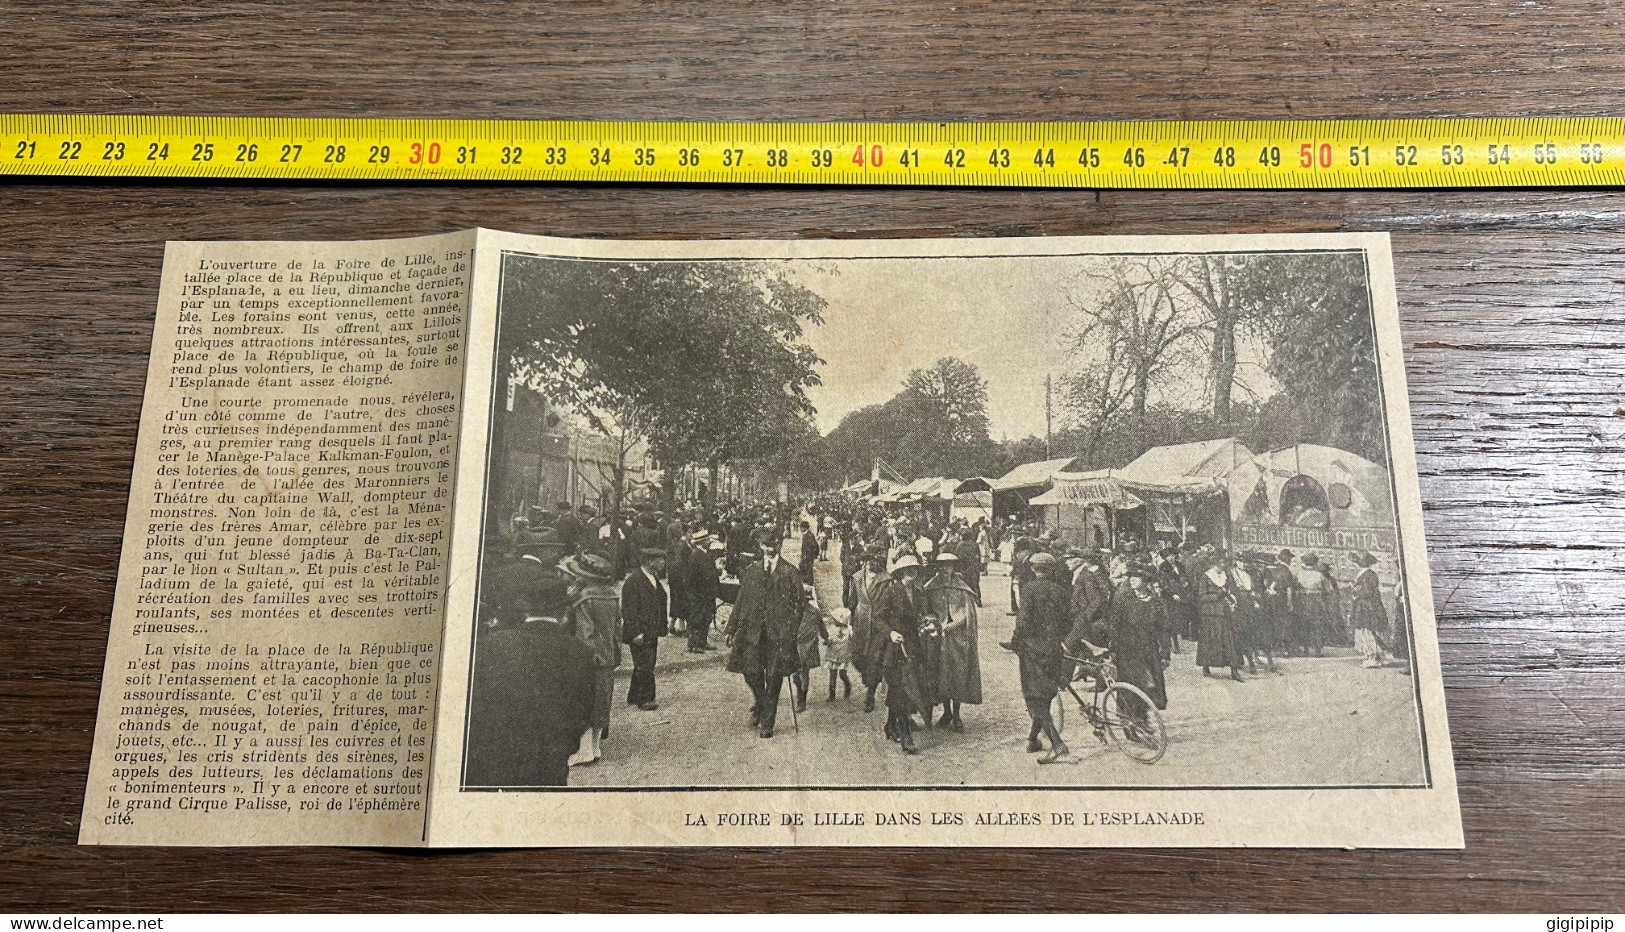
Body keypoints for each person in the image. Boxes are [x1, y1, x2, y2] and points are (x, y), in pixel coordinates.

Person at [464, 585, 596, 787]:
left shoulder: (494, 644)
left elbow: (480, 702)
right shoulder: (580, 652)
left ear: (526, 611)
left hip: (501, 752)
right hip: (551, 754)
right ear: (565, 614)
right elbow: (583, 711)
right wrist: (563, 747)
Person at [726, 536, 804, 738]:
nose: (768, 549)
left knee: (774, 677)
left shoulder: (790, 572)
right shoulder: (752, 571)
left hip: (778, 636)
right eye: (765, 545)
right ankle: (761, 703)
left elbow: (799, 606)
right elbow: (741, 599)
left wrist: (790, 630)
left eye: (772, 545)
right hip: (753, 633)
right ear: (760, 546)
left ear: (778, 546)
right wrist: (731, 629)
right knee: (750, 673)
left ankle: (768, 722)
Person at [1008, 551, 1077, 763]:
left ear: (1033, 569)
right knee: (1045, 693)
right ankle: (1032, 739)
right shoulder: (1060, 591)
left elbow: (1023, 621)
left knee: (1034, 696)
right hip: (1053, 649)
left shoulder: (1029, 590)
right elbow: (1068, 622)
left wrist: (1015, 641)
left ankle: (1057, 743)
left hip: (1032, 650)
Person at [562, 552, 621, 767]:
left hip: (590, 659)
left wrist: (582, 659)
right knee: (601, 702)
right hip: (608, 657)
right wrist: (615, 655)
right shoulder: (612, 596)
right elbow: (617, 631)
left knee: (584, 702)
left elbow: (585, 634)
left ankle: (585, 750)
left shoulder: (584, 599)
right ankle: (596, 748)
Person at [873, 554, 928, 754]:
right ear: (901, 572)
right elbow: (877, 618)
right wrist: (891, 632)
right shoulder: (891, 591)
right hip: (892, 649)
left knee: (901, 691)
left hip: (912, 647)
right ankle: (906, 736)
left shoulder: (918, 592)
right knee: (900, 691)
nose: (912, 573)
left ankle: (889, 725)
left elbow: (920, 616)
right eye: (909, 570)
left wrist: (924, 622)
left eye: (915, 570)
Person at [924, 551, 982, 733]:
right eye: (942, 566)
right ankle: (947, 711)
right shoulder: (930, 588)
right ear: (937, 568)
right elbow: (926, 611)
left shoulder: (962, 588)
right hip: (937, 639)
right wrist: (935, 623)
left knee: (958, 674)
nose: (946, 569)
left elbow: (968, 614)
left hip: (958, 639)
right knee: (941, 675)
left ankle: (957, 715)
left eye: (949, 565)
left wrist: (953, 624)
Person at [1105, 562, 1169, 710]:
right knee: (1130, 687)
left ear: (1146, 580)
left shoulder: (1156, 602)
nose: (1132, 579)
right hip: (1127, 650)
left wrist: (1165, 653)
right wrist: (1113, 648)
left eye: (1137, 577)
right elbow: (1114, 625)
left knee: (1150, 687)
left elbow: (1164, 629)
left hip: (1149, 649)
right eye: (1131, 576)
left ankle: (1142, 717)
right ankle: (1129, 719)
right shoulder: (1123, 599)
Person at [620, 547, 670, 711]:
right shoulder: (633, 581)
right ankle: (646, 698)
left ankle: (634, 695)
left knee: (644, 662)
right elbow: (629, 609)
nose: (663, 562)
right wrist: (635, 632)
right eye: (660, 559)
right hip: (640, 631)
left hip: (651, 630)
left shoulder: (652, 577)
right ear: (649, 561)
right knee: (645, 663)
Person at [1193, 546, 1245, 682]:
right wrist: (1218, 595)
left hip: (1224, 613)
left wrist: (1232, 596)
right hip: (1210, 614)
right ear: (1215, 563)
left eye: (1224, 563)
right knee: (1209, 640)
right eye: (1221, 563)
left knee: (1228, 641)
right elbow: (1202, 597)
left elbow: (1232, 590)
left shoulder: (1226, 576)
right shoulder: (1206, 577)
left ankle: (1234, 670)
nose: (1223, 566)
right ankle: (1206, 665)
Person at [852, 549, 891, 713]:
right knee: (858, 657)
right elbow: (851, 600)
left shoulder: (886, 580)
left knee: (875, 660)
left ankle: (870, 695)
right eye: (868, 560)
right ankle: (869, 679)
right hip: (860, 622)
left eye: (875, 560)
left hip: (877, 623)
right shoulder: (857, 577)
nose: (871, 564)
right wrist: (849, 622)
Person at [1348, 550, 1391, 668]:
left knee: (1367, 630)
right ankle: (1379, 657)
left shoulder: (1366, 575)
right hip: (1372, 605)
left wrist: (1356, 591)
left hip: (1366, 606)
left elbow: (1367, 592)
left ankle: (1372, 658)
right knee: (1373, 630)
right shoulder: (1370, 574)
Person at [792, 583, 830, 713]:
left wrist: (826, 638)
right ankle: (799, 693)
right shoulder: (791, 610)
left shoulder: (814, 612)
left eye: (805, 599)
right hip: (794, 645)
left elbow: (822, 627)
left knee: (804, 673)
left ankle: (802, 700)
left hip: (809, 646)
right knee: (795, 675)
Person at [1294, 553, 1338, 657]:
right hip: (1316, 601)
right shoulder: (1319, 575)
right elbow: (1329, 589)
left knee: (1304, 625)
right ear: (1314, 563)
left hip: (1302, 600)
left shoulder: (1298, 574)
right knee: (1317, 625)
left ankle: (1305, 650)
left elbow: (1294, 587)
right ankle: (1317, 650)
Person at [1262, 549, 1302, 657]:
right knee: (1285, 623)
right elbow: (1289, 588)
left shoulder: (1272, 569)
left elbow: (1265, 584)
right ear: (1287, 559)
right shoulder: (1286, 571)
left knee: (1274, 623)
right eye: (1290, 558)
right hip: (1282, 599)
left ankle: (1275, 648)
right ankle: (1285, 649)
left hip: (1272, 599)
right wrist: (1290, 602)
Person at [686, 536, 723, 653]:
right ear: (701, 542)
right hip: (699, 593)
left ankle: (702, 641)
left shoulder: (703, 553)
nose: (709, 542)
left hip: (706, 593)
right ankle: (694, 644)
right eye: (707, 541)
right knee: (697, 618)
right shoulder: (697, 555)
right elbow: (705, 574)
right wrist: (717, 571)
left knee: (706, 618)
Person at [825, 607, 854, 701]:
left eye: (834, 619)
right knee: (832, 674)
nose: (833, 620)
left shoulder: (849, 630)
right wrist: (827, 641)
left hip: (843, 655)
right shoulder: (832, 629)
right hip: (833, 654)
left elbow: (853, 640)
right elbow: (829, 639)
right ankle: (832, 695)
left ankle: (848, 685)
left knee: (842, 674)